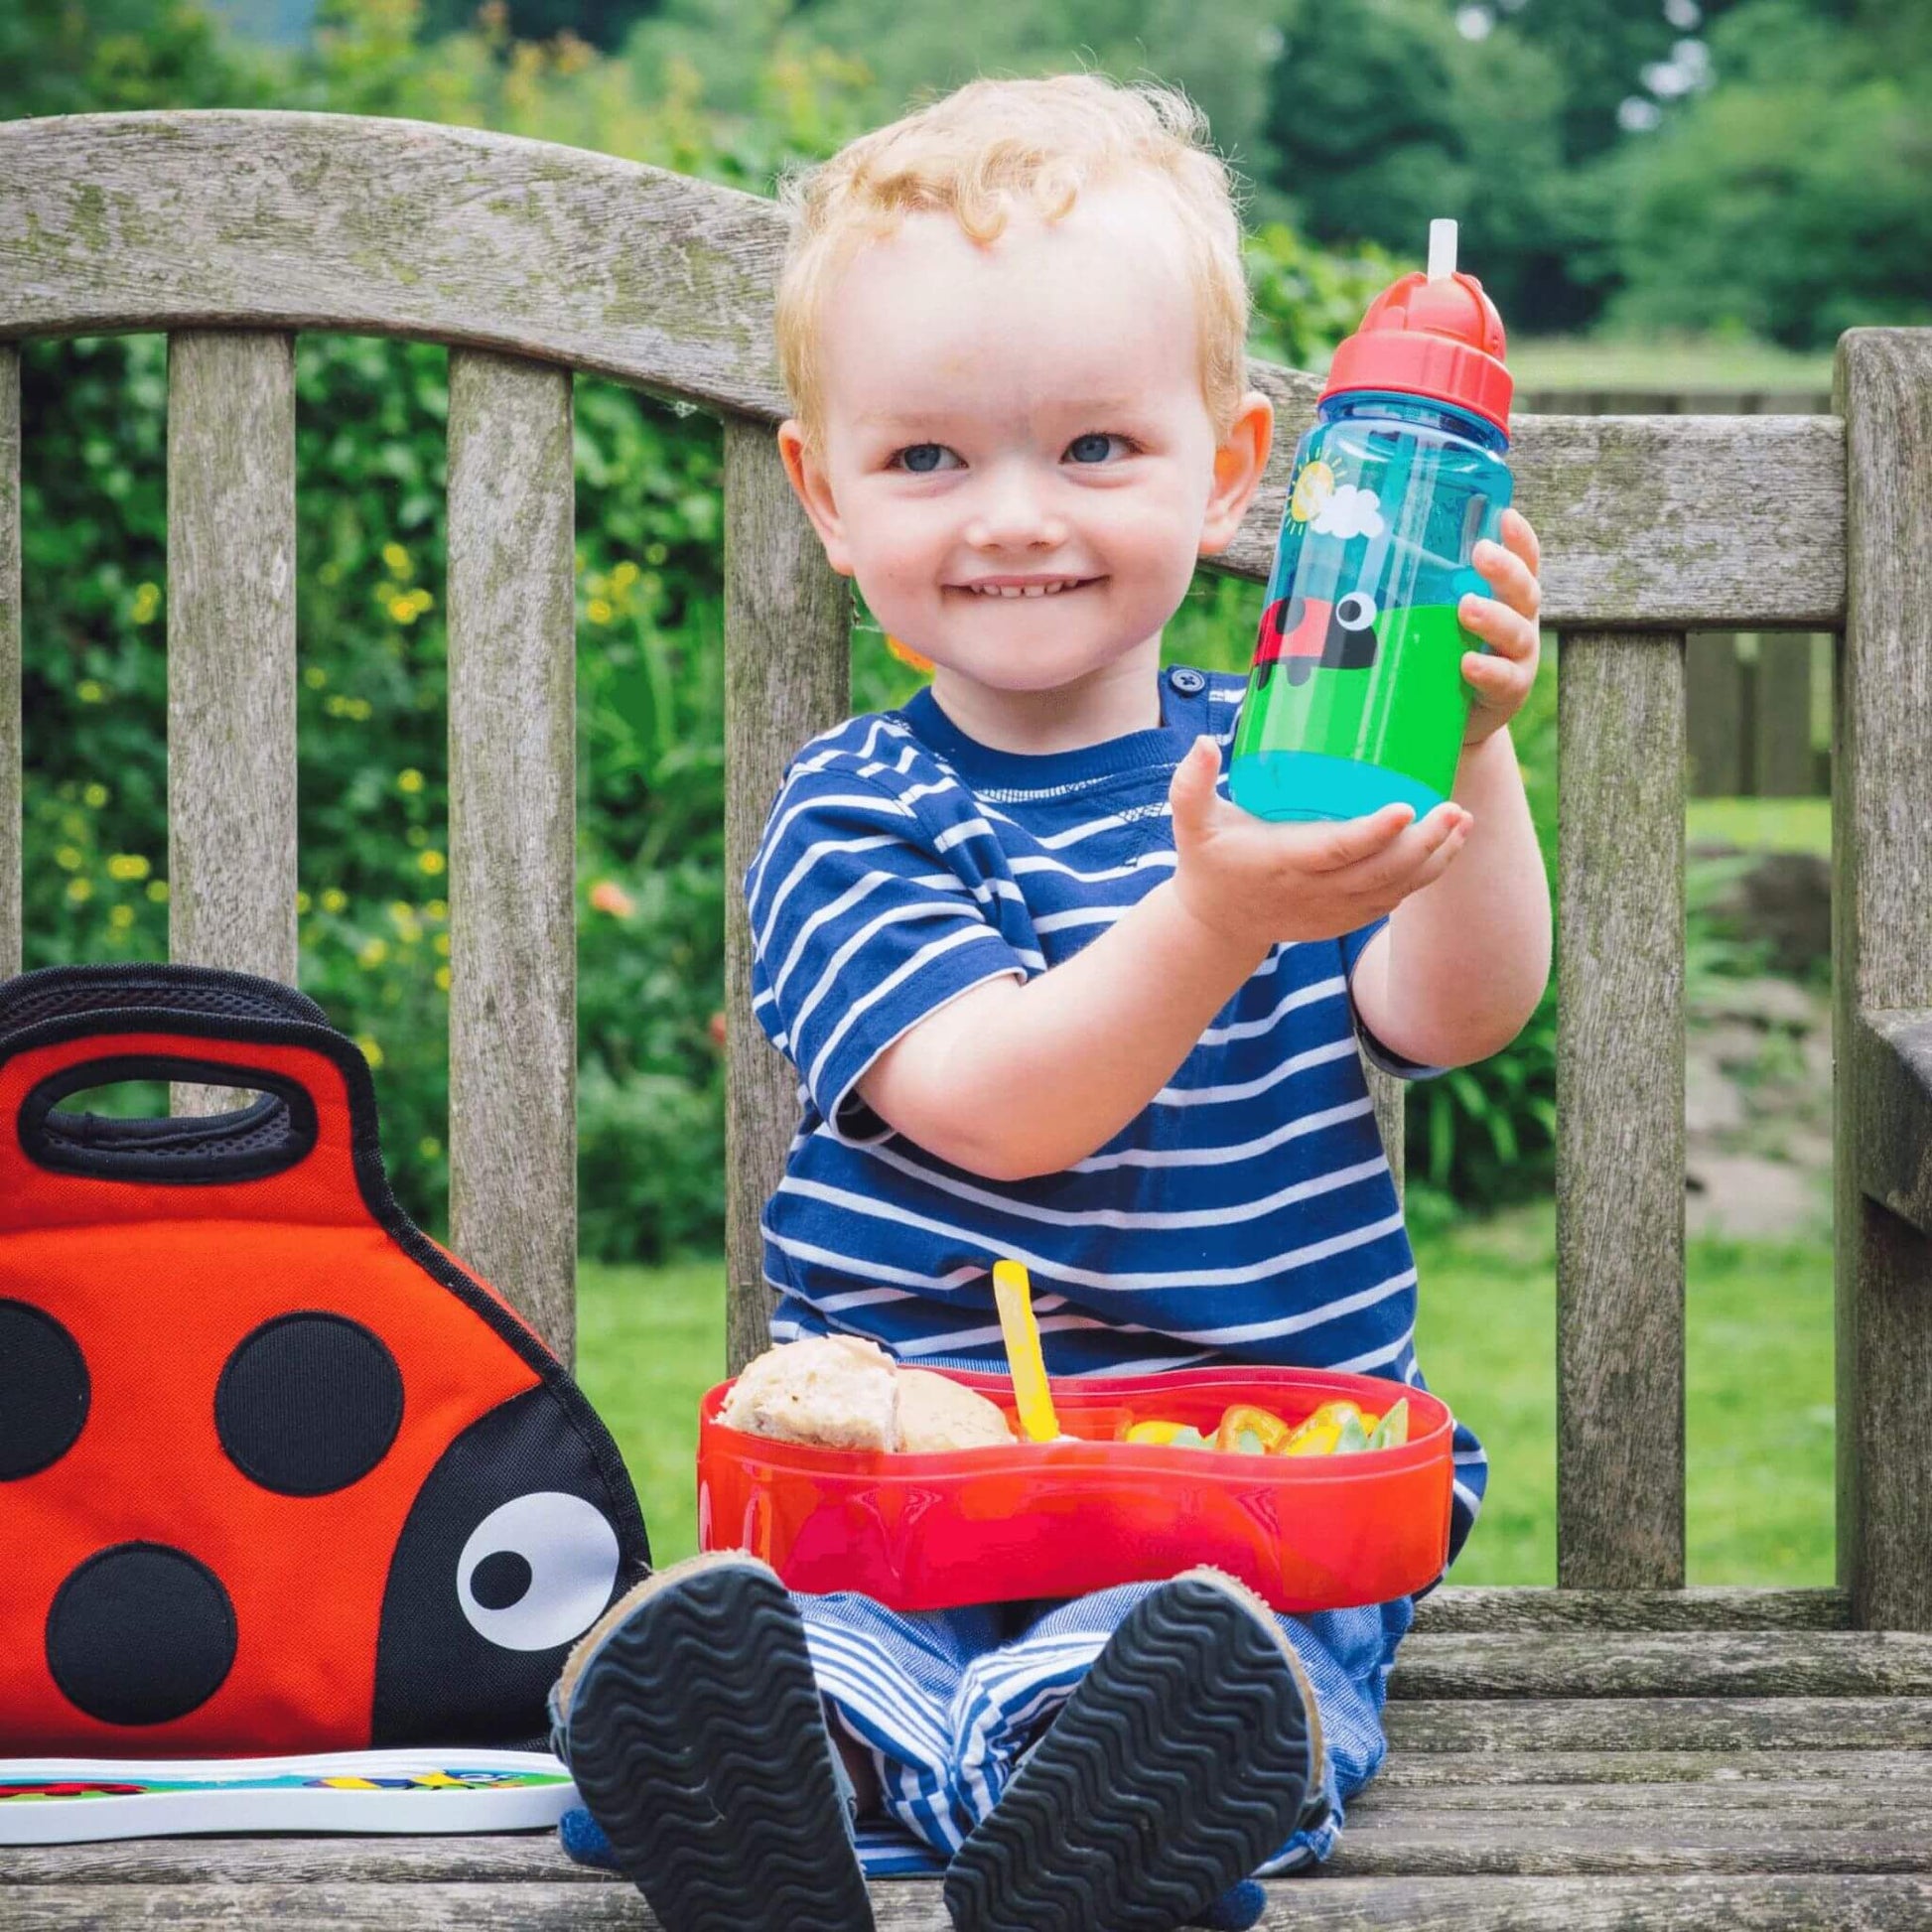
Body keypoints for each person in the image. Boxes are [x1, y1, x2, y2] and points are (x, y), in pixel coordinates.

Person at [550, 69, 1550, 1932]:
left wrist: (1465, 750)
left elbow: (1456, 1007)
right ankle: (805, 1777)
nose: (1014, 515)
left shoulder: (1300, 767)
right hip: (907, 1495)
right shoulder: (855, 814)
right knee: (819, 1660)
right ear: (824, 495)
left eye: (1094, 448)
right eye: (927, 460)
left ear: (1234, 466)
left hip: (1244, 1506)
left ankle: (1062, 1807)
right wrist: (1215, 913)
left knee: (1184, 1675)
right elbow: (1009, 1106)